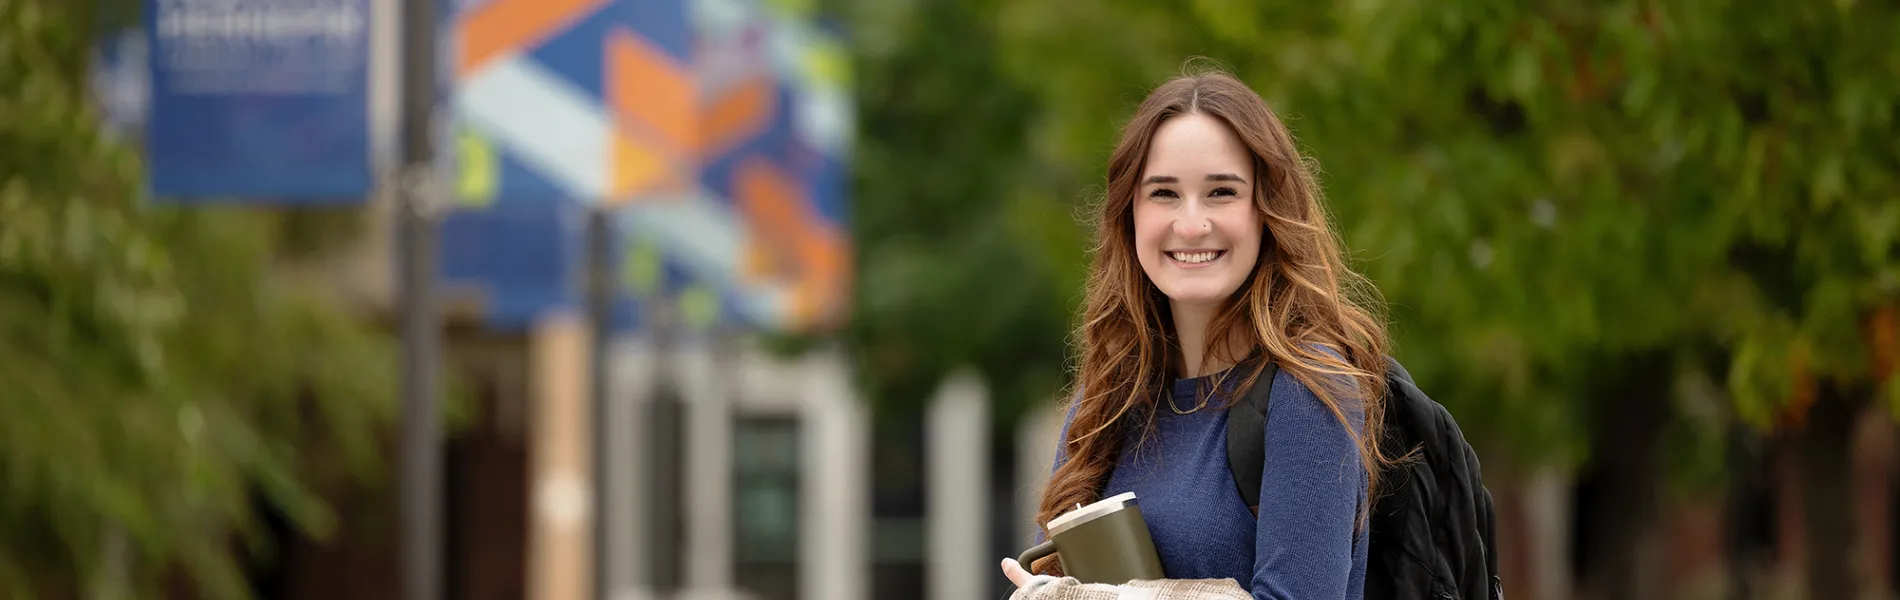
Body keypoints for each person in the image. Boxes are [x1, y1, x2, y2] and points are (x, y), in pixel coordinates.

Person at [1000, 68, 1394, 600]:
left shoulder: (1309, 390)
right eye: (1163, 193)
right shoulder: (1106, 403)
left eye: (1221, 192)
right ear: (1129, 214)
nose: (1191, 224)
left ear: (1267, 211)